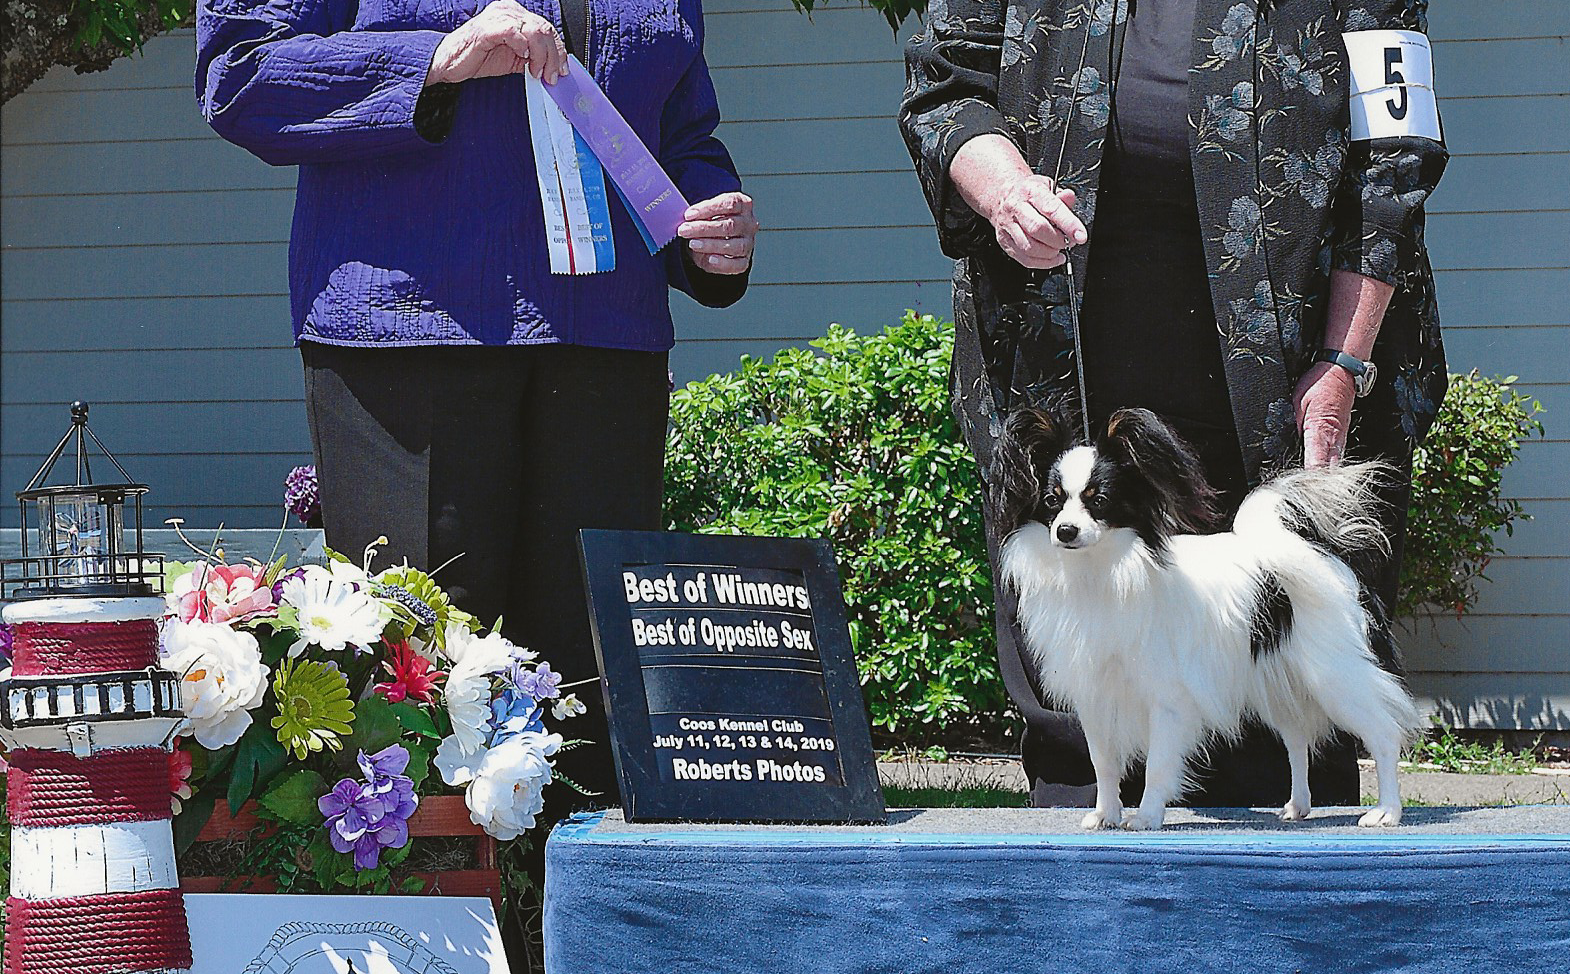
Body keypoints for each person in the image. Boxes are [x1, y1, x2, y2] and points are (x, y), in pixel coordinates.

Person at [195, 0, 759, 808]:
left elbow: (678, 128)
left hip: (610, 348)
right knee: (420, 691)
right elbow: (240, 72)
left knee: (585, 696)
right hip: (411, 339)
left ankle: (577, 893)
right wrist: (435, 61)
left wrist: (711, 218)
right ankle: (424, 892)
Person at [900, 0, 1447, 807]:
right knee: (1083, 724)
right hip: (1059, 344)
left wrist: (1343, 359)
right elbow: (946, 87)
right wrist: (1005, 190)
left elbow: (1394, 153)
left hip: (1293, 354)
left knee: (1286, 686)